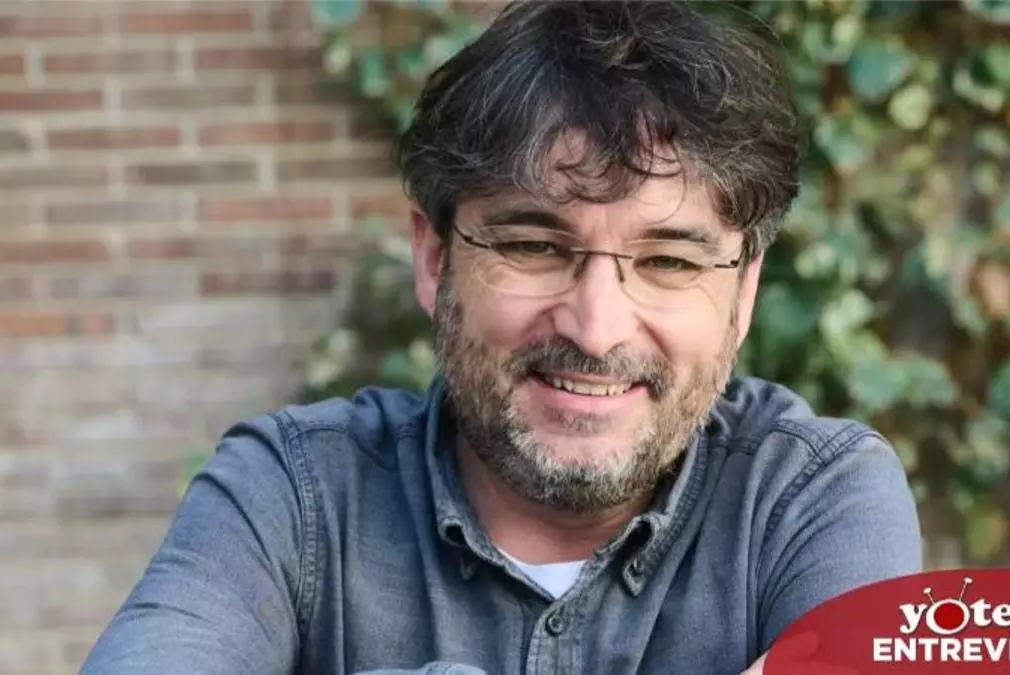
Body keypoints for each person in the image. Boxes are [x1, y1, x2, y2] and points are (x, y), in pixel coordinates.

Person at [81, 1, 922, 673]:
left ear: (743, 293)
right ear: (434, 256)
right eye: (533, 246)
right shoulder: (290, 495)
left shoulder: (809, 497)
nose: (596, 327)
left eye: (668, 261)